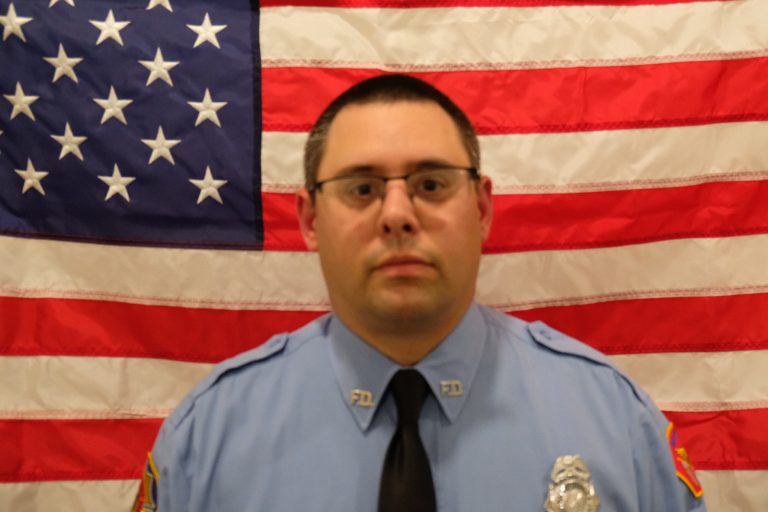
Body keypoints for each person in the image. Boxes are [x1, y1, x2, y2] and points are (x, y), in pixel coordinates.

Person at [134, 74, 707, 511]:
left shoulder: (613, 421)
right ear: (310, 220)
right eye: (361, 188)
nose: (398, 215)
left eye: (431, 184)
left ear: (481, 209)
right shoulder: (208, 437)